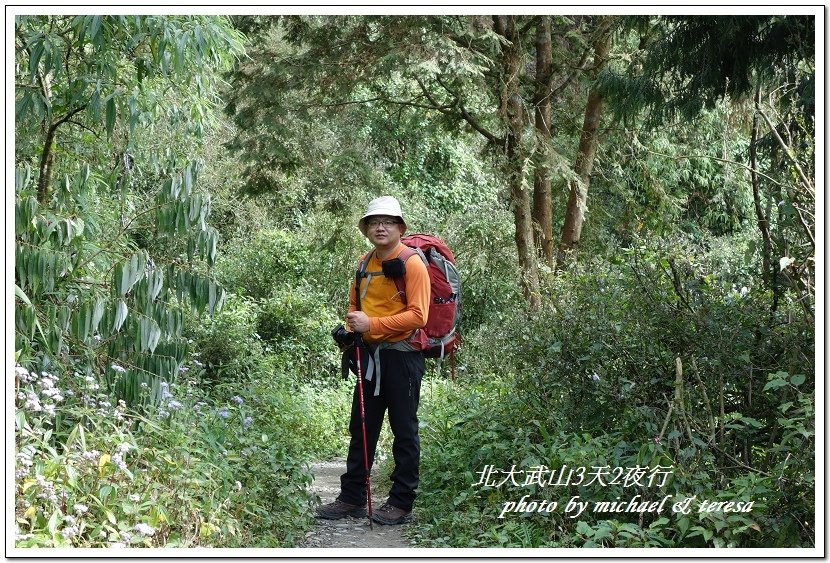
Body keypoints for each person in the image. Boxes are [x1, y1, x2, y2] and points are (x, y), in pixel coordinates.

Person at [317, 196, 430, 526]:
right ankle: (351, 497)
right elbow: (356, 310)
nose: (380, 227)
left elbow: (419, 315)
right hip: (369, 356)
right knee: (362, 427)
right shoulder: (364, 263)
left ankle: (401, 502)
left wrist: (373, 325)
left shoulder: (412, 263)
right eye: (374, 222)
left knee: (404, 430)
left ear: (400, 228)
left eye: (389, 221)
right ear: (366, 229)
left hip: (404, 358)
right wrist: (350, 330)